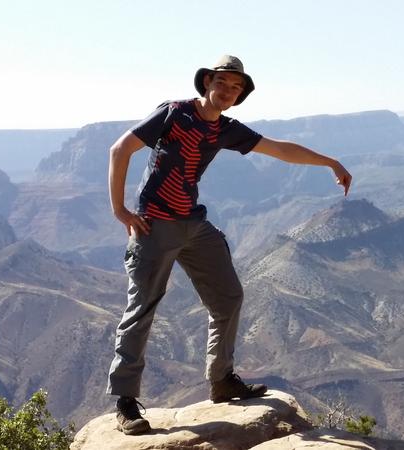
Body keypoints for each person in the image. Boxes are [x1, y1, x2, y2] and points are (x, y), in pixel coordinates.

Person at [106, 54, 352, 435]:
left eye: (236, 88)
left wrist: (330, 162)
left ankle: (221, 381)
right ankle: (125, 401)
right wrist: (121, 210)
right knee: (143, 309)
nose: (227, 91)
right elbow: (119, 149)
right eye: (222, 82)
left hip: (193, 223)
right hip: (155, 226)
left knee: (228, 297)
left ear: (239, 96)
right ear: (207, 82)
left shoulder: (226, 129)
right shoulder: (174, 113)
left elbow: (280, 149)